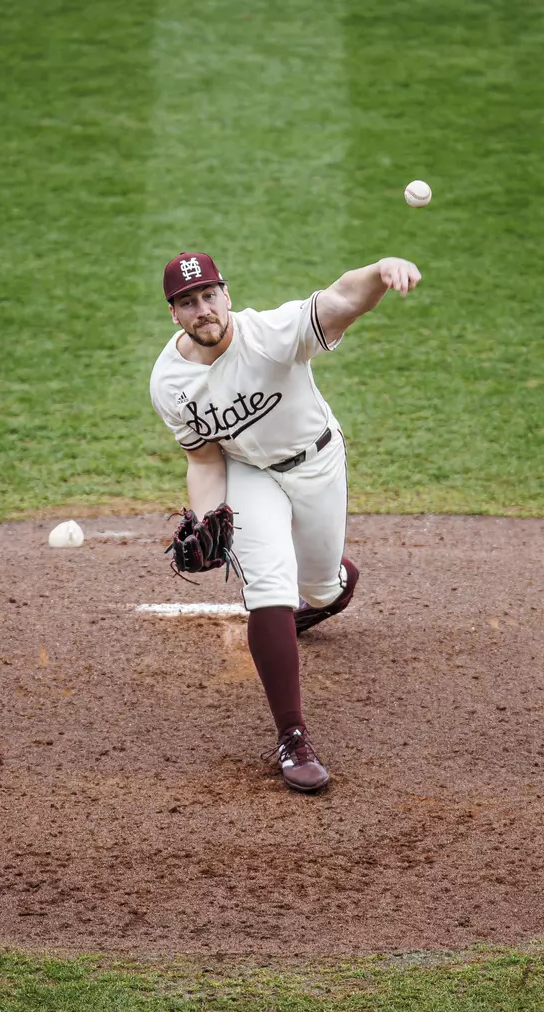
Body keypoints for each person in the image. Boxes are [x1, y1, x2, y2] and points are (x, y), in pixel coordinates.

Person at [149, 251, 422, 792]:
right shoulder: (169, 382)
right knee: (269, 587)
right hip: (249, 474)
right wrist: (208, 519)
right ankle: (292, 737)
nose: (202, 310)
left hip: (317, 462)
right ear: (173, 314)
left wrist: (381, 270)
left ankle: (329, 590)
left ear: (226, 295)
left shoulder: (270, 333)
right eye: (187, 302)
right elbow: (203, 458)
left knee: (319, 586)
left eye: (208, 296)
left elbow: (340, 299)